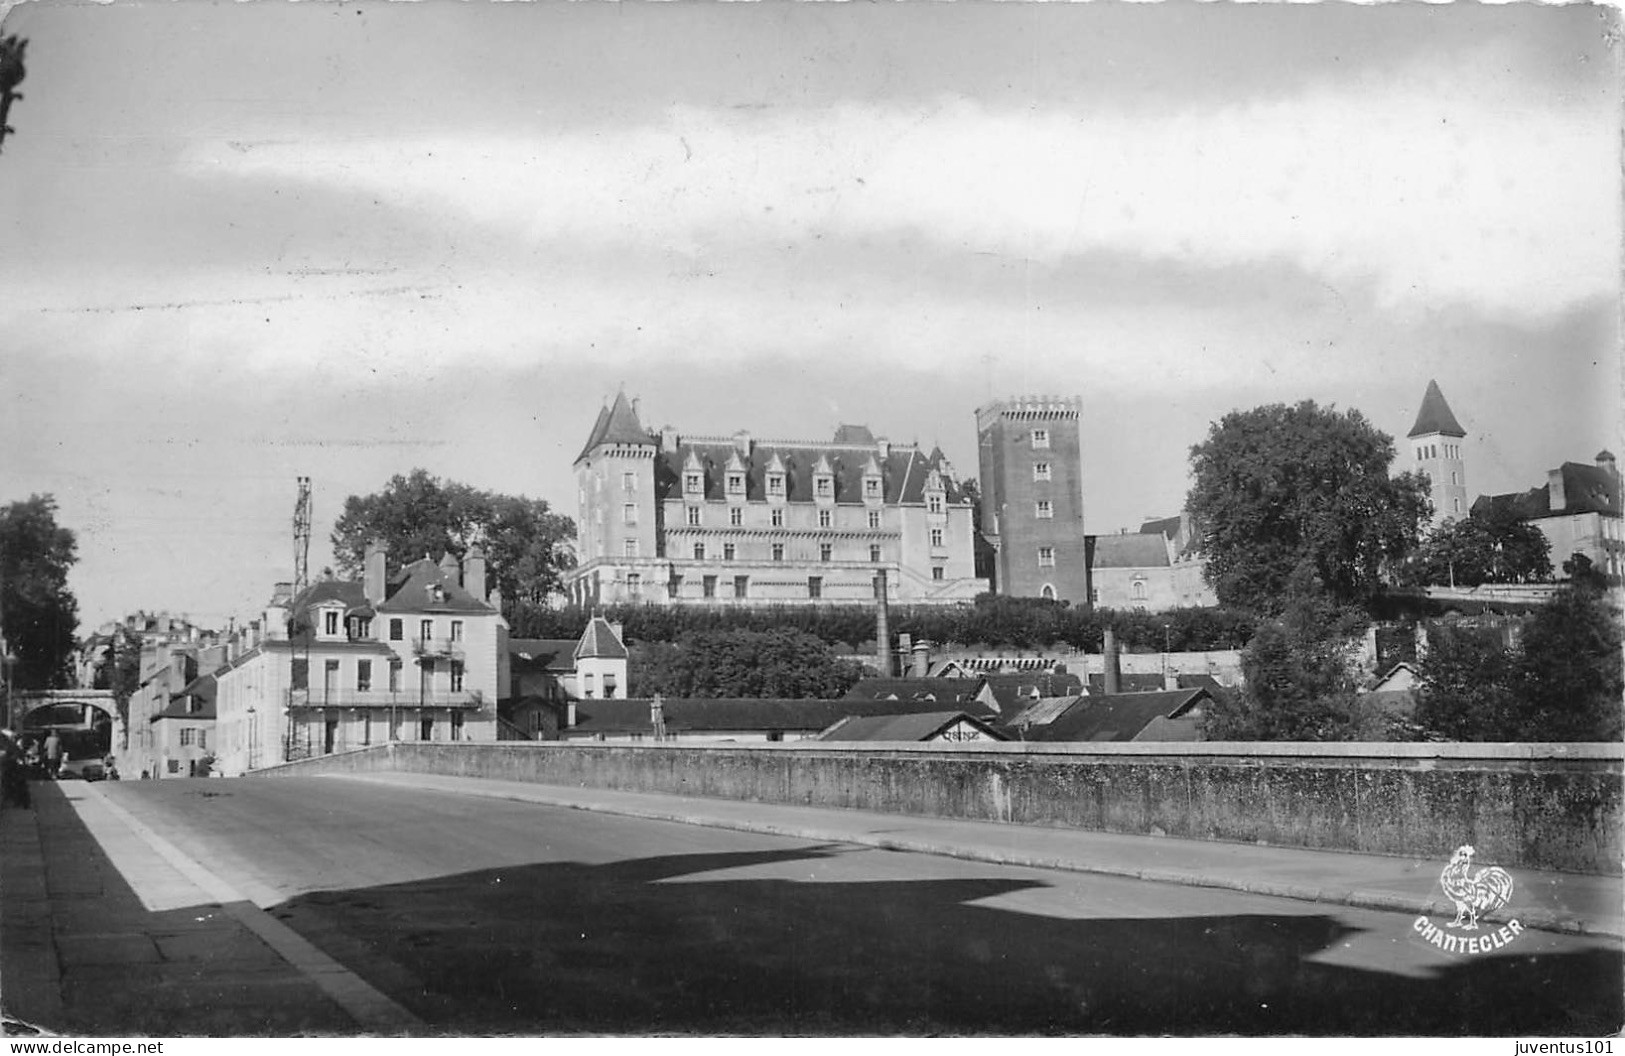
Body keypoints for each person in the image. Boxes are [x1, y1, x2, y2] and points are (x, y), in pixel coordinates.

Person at [0, 729, 30, 809]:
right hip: (12, 770)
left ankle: (22, 802)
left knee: (17, 786)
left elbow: (18, 757)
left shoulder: (12, 746)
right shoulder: (12, 746)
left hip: (13, 771)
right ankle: (22, 802)